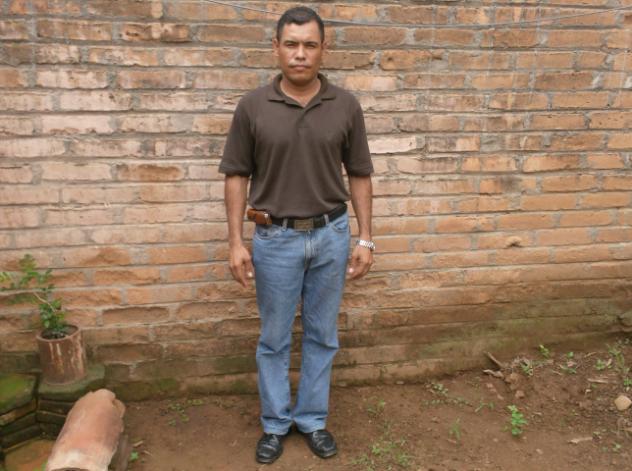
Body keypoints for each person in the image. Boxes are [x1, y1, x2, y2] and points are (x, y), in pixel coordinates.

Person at [219, 6, 375, 464]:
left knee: (323, 335)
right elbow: (236, 175)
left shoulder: (345, 105)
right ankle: (274, 424)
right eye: (291, 44)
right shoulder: (252, 107)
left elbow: (360, 173)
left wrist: (365, 237)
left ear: (324, 49)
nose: (300, 54)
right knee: (274, 338)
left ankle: (311, 419)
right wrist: (235, 242)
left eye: (309, 45)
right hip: (276, 240)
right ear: (276, 48)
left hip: (331, 235)